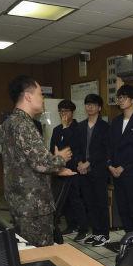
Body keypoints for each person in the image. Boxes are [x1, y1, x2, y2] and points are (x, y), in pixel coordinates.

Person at [0, 75, 74, 247]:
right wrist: (60, 159)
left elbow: (24, 162)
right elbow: (41, 162)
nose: (43, 99)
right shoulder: (24, 125)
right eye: (41, 94)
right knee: (39, 255)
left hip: (19, 201)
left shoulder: (8, 123)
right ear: (28, 96)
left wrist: (56, 169)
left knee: (24, 251)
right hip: (34, 206)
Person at [107, 84, 133, 252]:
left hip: (130, 172)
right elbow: (108, 145)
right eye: (119, 98)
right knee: (122, 207)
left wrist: (123, 167)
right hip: (115, 172)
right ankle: (128, 237)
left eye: (124, 97)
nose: (121, 101)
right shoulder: (116, 121)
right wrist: (110, 165)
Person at [49, 99, 88, 239]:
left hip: (74, 168)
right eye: (60, 111)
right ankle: (71, 225)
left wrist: (66, 128)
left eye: (65, 111)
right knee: (63, 200)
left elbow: (75, 145)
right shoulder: (56, 129)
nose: (62, 114)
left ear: (72, 112)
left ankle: (83, 228)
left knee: (75, 199)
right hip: (60, 169)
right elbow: (53, 148)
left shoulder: (79, 128)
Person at [76, 93, 110, 247]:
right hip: (83, 171)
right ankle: (96, 232)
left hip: (98, 170)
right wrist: (79, 163)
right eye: (87, 104)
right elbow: (75, 147)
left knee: (101, 202)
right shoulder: (80, 126)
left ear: (99, 108)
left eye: (93, 105)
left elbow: (104, 150)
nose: (89, 107)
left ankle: (104, 234)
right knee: (89, 203)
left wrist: (88, 162)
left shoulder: (105, 127)